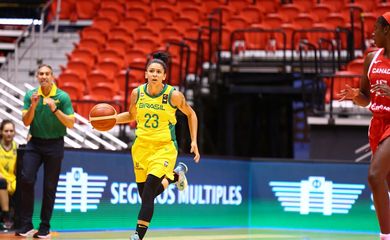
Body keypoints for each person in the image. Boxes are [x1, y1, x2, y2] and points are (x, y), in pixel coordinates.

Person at [116, 52, 200, 240]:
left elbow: (191, 114)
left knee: (147, 196)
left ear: (164, 76)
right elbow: (130, 116)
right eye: (151, 71)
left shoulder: (173, 95)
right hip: (141, 148)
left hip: (164, 148)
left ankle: (138, 235)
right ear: (145, 74)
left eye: (158, 71)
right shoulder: (137, 93)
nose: (154, 74)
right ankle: (175, 175)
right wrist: (110, 119)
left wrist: (194, 141)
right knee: (146, 195)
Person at [338, 12, 390, 240]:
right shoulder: (371, 59)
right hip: (377, 124)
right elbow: (366, 98)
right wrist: (355, 97)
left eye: (376, 29)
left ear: (387, 30)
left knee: (374, 175)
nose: (372, 33)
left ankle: (385, 236)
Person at [16, 64, 75, 238]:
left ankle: (44, 227)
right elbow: (26, 122)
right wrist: (33, 106)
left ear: (52, 76)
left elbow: (70, 123)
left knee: (49, 187)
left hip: (55, 145)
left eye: (47, 74)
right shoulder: (30, 95)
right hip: (34, 143)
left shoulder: (62, 97)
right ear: (36, 77)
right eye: (40, 74)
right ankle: (26, 225)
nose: (44, 77)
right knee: (26, 179)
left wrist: (55, 109)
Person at [0, 119, 17, 231]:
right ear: (1, 132)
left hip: (12, 180)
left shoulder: (17, 147)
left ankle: (19, 219)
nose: (9, 133)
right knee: (1, 182)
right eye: (6, 131)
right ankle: (5, 218)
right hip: (1, 179)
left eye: (11, 131)